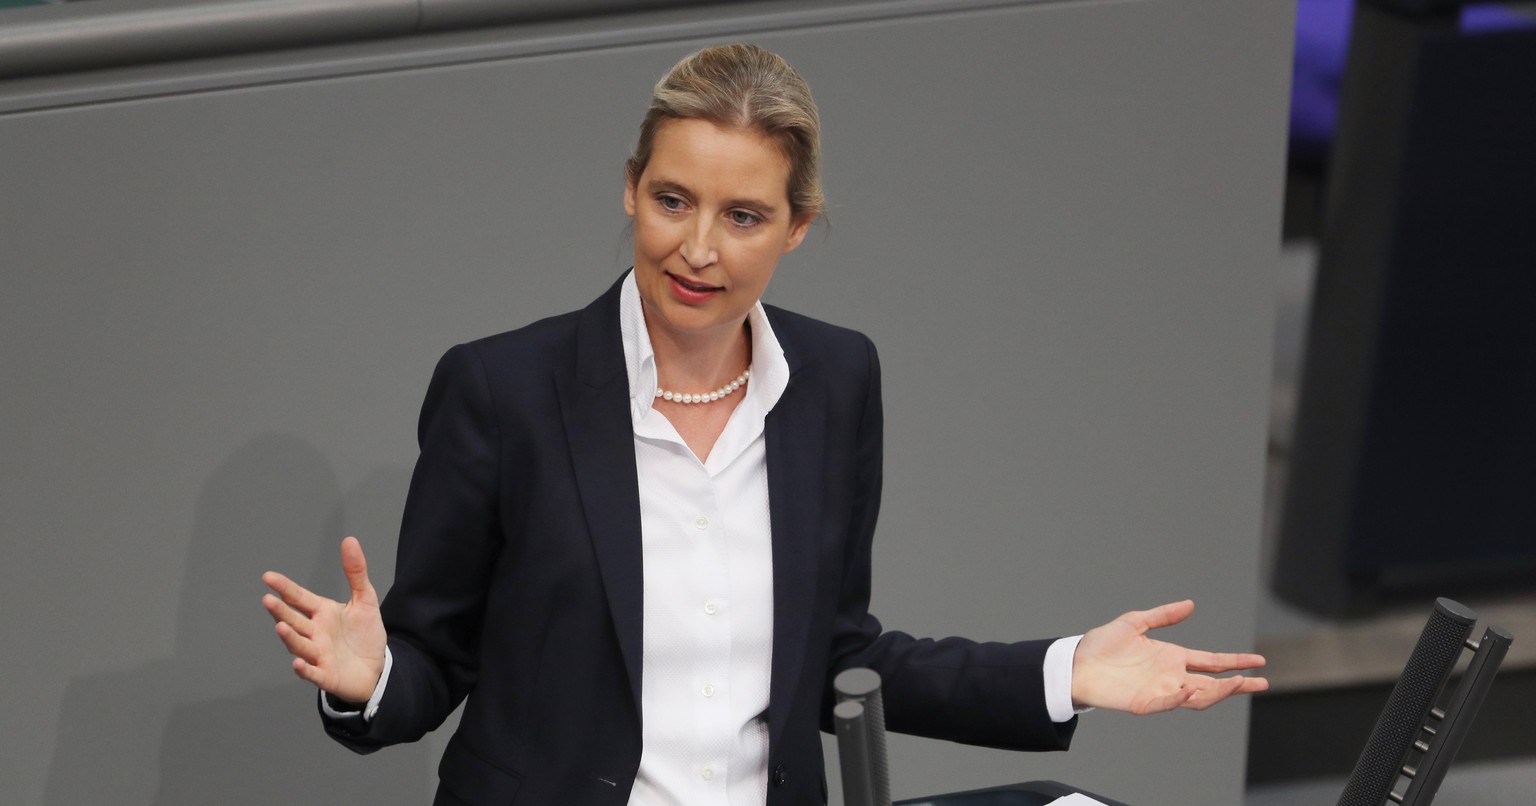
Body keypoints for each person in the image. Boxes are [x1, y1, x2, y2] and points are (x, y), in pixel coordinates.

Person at [261, 43, 1267, 805]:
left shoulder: (836, 380)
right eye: (671, 199)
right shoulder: (503, 390)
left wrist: (1065, 670)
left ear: (796, 225)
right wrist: (372, 676)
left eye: (742, 215)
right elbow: (433, 661)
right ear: (630, 188)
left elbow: (837, 650)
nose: (697, 248)